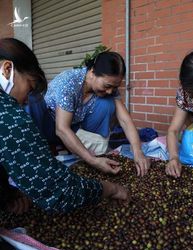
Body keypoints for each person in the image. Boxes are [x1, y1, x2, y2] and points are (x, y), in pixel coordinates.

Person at [0, 38, 128, 214]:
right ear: (7, 69)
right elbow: (59, 192)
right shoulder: (10, 117)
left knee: (106, 103)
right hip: (51, 130)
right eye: (30, 87)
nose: (26, 99)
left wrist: (7, 195)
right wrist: (111, 189)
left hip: (65, 134)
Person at [27, 49, 150, 176]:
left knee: (107, 103)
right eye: (107, 86)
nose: (110, 91)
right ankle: (76, 152)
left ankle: (91, 152)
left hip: (74, 128)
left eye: (114, 87)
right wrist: (92, 161)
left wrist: (137, 150)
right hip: (50, 126)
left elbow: (125, 120)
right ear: (92, 73)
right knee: (33, 101)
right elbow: (61, 129)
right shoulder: (69, 82)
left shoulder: (108, 89)